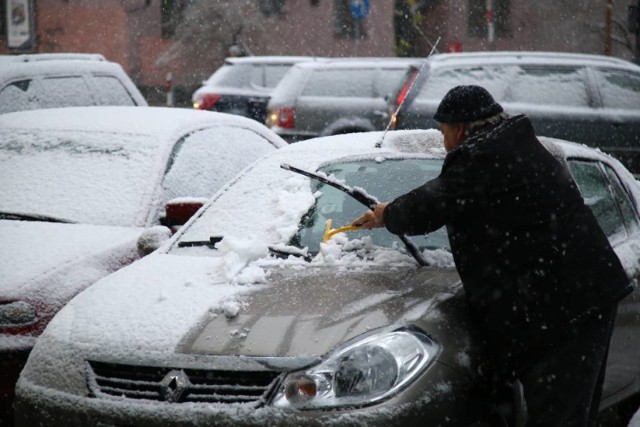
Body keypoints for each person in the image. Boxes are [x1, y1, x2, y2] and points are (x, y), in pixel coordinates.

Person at [352, 85, 633, 426]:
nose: (444, 143)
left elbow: (432, 203)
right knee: (572, 414)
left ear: (459, 128)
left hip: (562, 311)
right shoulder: (514, 145)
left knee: (558, 417)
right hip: (579, 297)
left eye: (443, 132)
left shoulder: (484, 157)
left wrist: (386, 214)